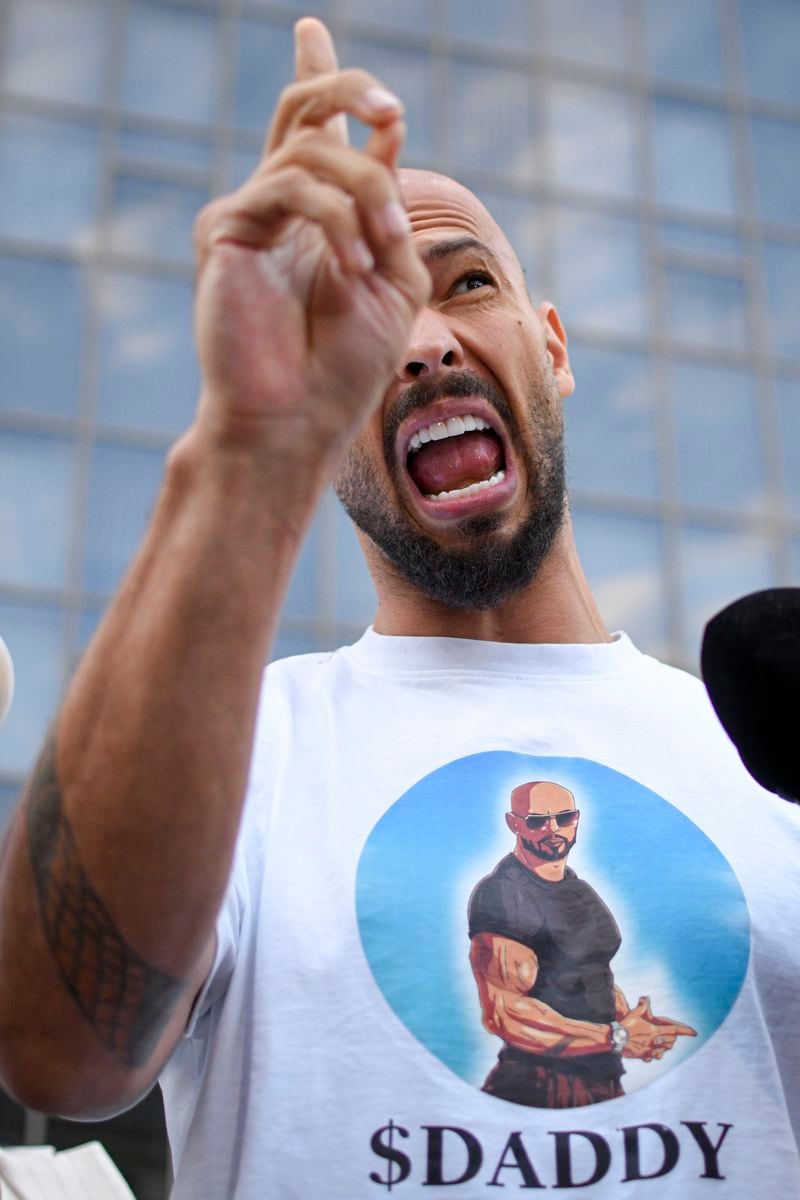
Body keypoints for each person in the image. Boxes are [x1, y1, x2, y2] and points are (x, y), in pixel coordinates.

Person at [0, 15, 798, 1198]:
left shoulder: (767, 749)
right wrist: (252, 436)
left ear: (552, 347)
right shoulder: (239, 755)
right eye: (357, 319)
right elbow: (56, 1055)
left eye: (464, 283)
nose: (420, 344)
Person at [468, 780, 695, 1108]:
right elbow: (506, 1013)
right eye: (537, 821)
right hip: (539, 1083)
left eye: (564, 818)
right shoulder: (504, 894)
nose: (552, 829)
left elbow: (591, 972)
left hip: (601, 1076)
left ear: (577, 819)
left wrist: (634, 1023)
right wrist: (618, 1037)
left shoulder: (580, 890)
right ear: (513, 823)